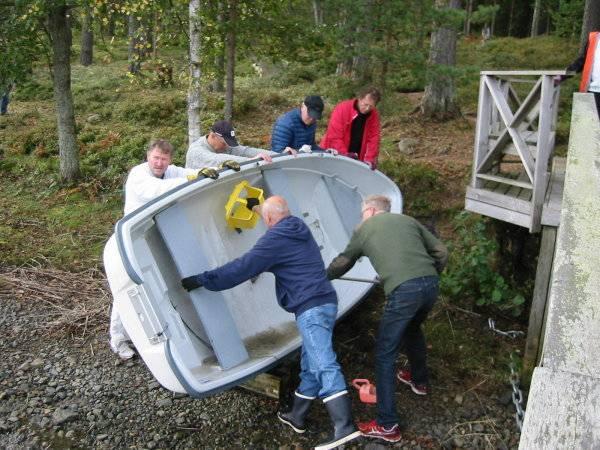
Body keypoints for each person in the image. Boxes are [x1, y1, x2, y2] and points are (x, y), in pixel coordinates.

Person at [181, 196, 360, 450]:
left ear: (268, 220)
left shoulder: (274, 240)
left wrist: (203, 280)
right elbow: (274, 212)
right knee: (310, 364)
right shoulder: (298, 226)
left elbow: (240, 268)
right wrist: (256, 204)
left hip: (310, 307)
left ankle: (344, 425)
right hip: (326, 302)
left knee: (322, 361)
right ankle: (296, 416)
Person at [326, 195, 448, 443]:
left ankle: (387, 425)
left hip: (405, 292)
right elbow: (441, 251)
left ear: (370, 211)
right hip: (431, 284)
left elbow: (343, 262)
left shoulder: (365, 228)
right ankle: (419, 381)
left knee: (384, 353)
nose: (361, 218)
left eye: (362, 213)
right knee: (413, 329)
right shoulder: (407, 220)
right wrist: (428, 275)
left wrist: (321, 277)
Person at [110, 139, 214, 359]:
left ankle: (150, 335)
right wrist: (193, 178)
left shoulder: (171, 171)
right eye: (156, 158)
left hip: (155, 235)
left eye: (164, 159)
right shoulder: (139, 175)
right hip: (131, 240)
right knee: (128, 287)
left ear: (169, 160)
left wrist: (213, 170)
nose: (159, 163)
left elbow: (192, 172)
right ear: (148, 156)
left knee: (157, 285)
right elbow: (156, 191)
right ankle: (118, 339)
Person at [319, 87, 381, 169]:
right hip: (334, 153)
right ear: (360, 99)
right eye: (365, 104)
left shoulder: (374, 115)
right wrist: (345, 155)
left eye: (371, 106)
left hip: (357, 155)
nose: (367, 109)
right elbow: (334, 136)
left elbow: (373, 138)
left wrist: (369, 159)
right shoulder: (342, 109)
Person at [186, 120, 281, 170]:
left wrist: (279, 155)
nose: (226, 147)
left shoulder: (224, 147)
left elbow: (245, 151)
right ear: (213, 136)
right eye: (224, 143)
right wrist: (251, 161)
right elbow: (217, 160)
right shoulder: (196, 151)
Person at [556, 31, 600, 119]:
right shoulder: (594, 38)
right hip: (592, 91)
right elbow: (582, 60)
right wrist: (562, 76)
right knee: (586, 128)